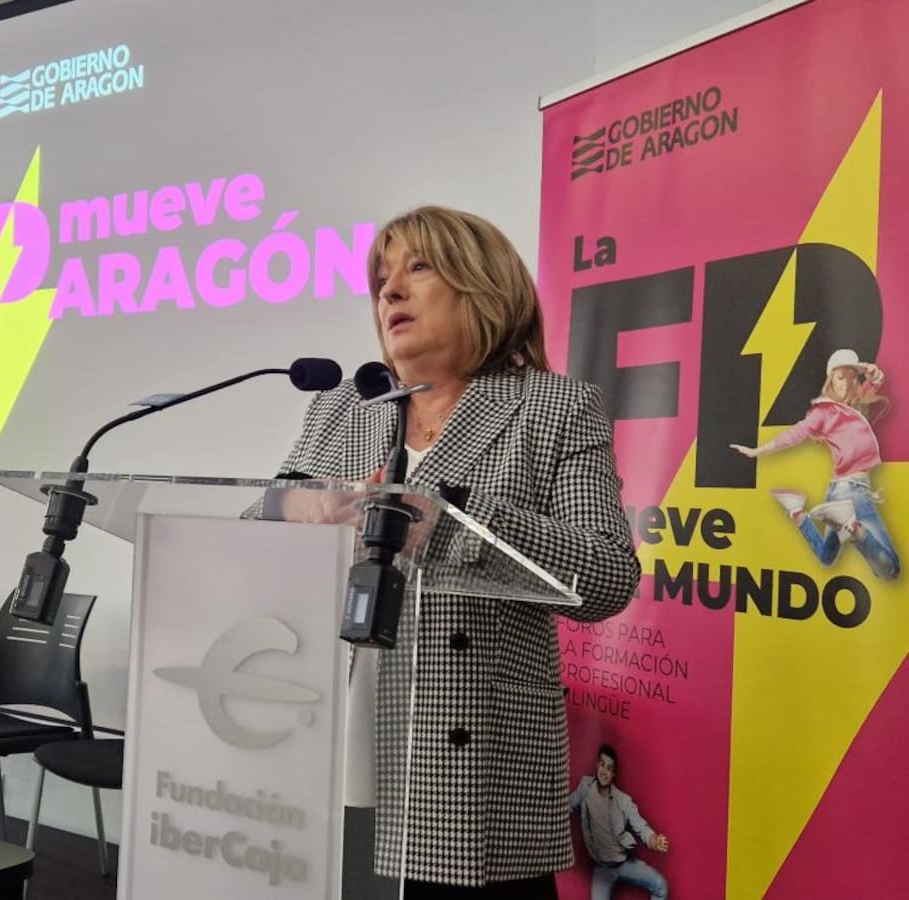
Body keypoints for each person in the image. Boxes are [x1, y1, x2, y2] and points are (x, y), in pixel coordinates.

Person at [272, 206, 640, 898]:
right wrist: (301, 510)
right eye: (381, 278)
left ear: (481, 284)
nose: (390, 290)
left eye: (417, 267)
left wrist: (453, 527)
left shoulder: (553, 408)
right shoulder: (344, 407)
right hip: (326, 738)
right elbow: (256, 524)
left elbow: (607, 575)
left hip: (472, 772)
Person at [730, 348, 899, 580]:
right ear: (831, 381)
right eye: (840, 378)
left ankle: (797, 512)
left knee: (825, 557)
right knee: (891, 569)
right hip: (853, 490)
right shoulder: (824, 412)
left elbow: (875, 382)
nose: (847, 383)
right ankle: (852, 526)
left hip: (838, 493)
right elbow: (795, 434)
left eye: (851, 377)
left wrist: (871, 372)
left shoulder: (854, 408)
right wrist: (757, 451)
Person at [569, 744, 669, 900]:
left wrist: (654, 840)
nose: (604, 771)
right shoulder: (585, 787)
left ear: (613, 774)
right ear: (597, 765)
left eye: (609, 768)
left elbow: (641, 826)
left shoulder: (623, 800)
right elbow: (567, 806)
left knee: (660, 885)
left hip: (624, 863)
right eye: (602, 765)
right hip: (602, 869)